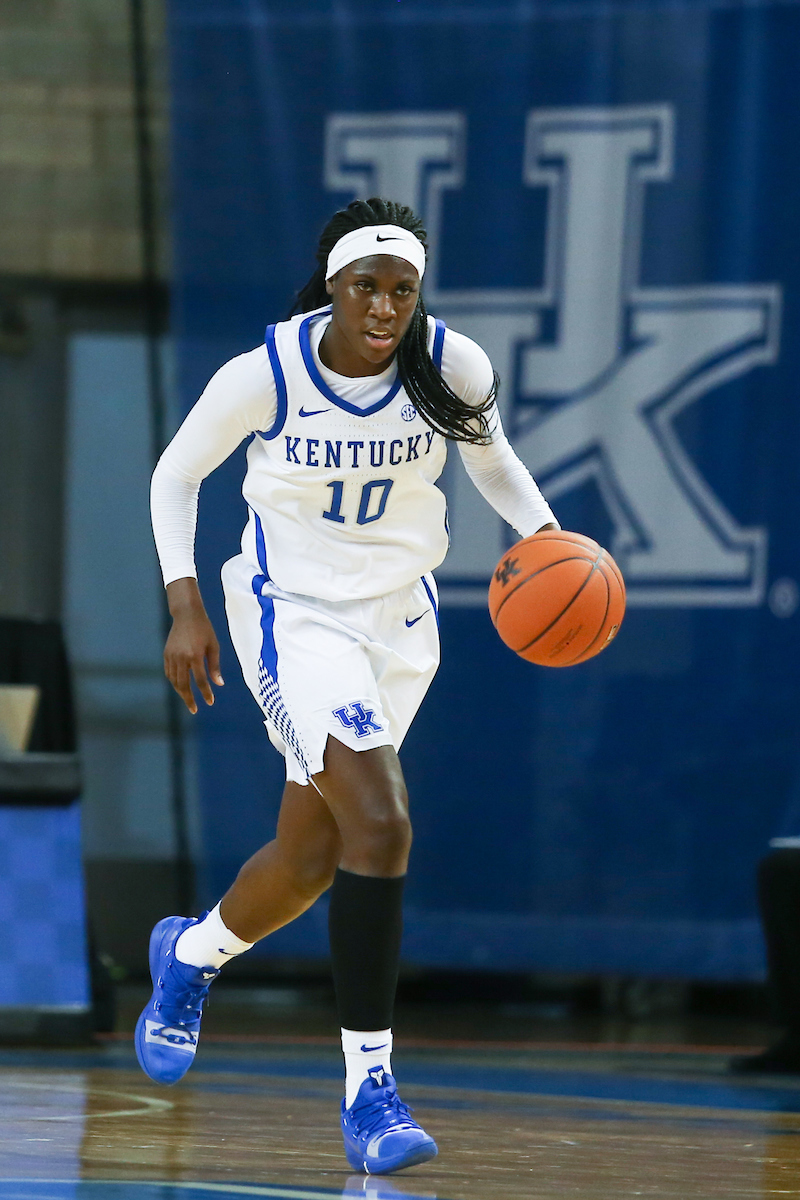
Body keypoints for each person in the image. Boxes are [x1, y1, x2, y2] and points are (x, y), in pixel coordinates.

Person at [138, 197, 558, 1174]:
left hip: (399, 623)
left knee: (312, 856)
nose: (383, 306)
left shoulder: (449, 366)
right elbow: (175, 476)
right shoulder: (268, 374)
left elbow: (494, 464)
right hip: (293, 615)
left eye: (401, 290)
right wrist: (185, 605)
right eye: (365, 286)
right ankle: (370, 1095)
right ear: (331, 285)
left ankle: (189, 955)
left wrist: (547, 541)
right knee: (382, 824)